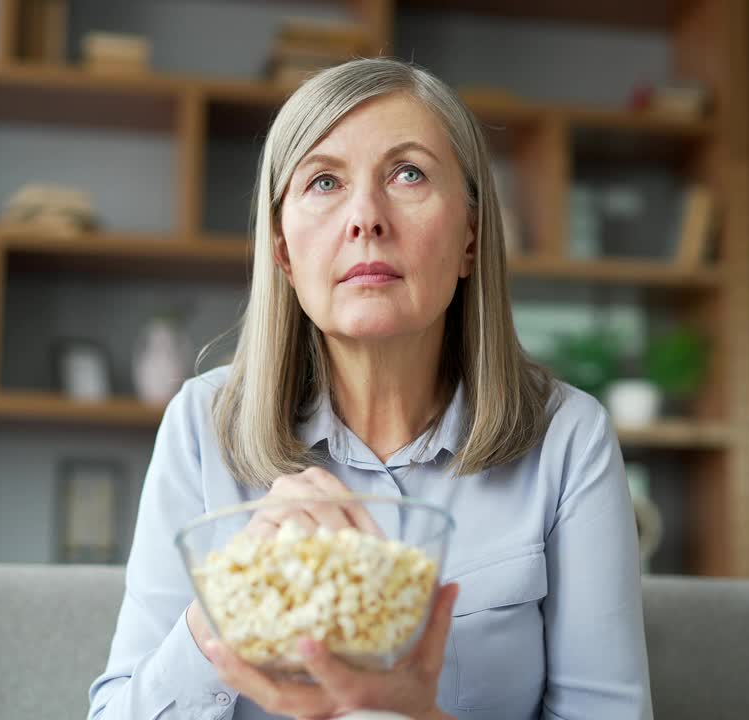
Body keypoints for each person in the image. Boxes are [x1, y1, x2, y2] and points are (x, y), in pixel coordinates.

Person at [88, 57, 653, 720]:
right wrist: (232, 602)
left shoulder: (568, 437)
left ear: (472, 235)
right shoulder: (199, 424)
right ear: (282, 251)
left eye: (408, 173)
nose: (365, 218)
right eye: (324, 181)